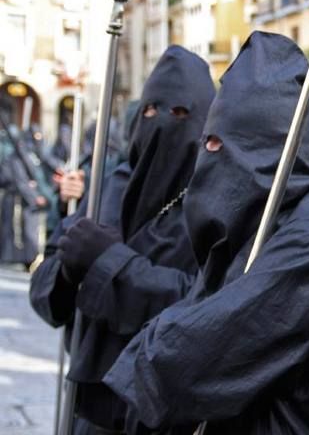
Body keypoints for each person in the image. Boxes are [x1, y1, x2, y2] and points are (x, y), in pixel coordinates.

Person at [103, 32, 309, 434]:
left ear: (262, 148)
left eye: (221, 144)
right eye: (207, 142)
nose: (208, 156)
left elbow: (180, 357)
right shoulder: (270, 224)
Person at [29, 45, 215, 434]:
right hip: (91, 405)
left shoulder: (213, 203)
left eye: (180, 114)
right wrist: (67, 269)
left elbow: (203, 305)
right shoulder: (109, 184)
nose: (161, 122)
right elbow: (45, 287)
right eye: (150, 111)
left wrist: (114, 263)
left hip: (161, 411)